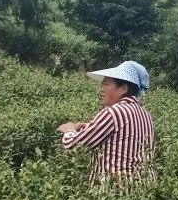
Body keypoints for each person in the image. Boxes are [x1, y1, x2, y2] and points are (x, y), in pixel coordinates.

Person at [56, 60, 156, 191]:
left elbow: (74, 146)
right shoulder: (146, 115)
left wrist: (69, 130)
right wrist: (89, 127)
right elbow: (123, 136)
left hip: (116, 191)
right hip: (145, 189)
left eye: (106, 84)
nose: (101, 89)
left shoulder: (114, 112)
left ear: (123, 88)